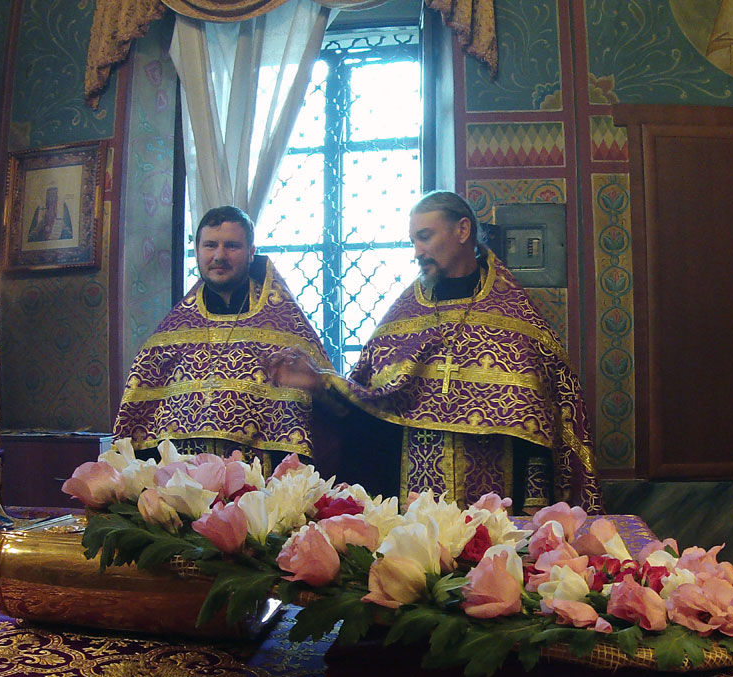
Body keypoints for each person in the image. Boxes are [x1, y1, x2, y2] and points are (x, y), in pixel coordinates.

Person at [269, 191, 601, 513]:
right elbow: (371, 417)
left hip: (495, 513)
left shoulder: (515, 318)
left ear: (463, 230)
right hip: (412, 516)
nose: (417, 252)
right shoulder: (402, 319)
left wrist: (533, 504)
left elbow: (538, 427)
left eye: (425, 237)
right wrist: (323, 385)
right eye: (413, 240)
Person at [114, 205, 334, 472]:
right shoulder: (169, 335)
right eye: (210, 245)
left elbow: (330, 414)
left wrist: (318, 387)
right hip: (185, 485)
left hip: (264, 485)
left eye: (232, 246)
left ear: (251, 252)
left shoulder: (287, 328)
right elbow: (138, 428)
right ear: (197, 250)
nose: (219, 256)